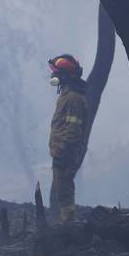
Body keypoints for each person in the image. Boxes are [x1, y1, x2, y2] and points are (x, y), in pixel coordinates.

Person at [47, 54, 90, 223]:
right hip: (63, 151)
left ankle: (68, 223)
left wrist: (61, 149)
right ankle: (67, 221)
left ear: (64, 75)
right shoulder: (68, 94)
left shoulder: (73, 98)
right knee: (62, 188)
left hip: (66, 151)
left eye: (56, 73)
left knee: (64, 188)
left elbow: (73, 129)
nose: (53, 76)